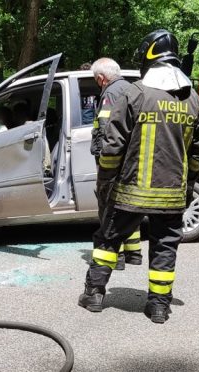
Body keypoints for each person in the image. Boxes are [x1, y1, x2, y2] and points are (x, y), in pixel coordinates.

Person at [78, 30, 199, 323]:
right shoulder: (193, 101)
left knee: (109, 239)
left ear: (148, 58)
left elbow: (112, 147)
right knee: (165, 249)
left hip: (130, 192)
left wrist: (106, 182)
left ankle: (95, 294)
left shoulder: (134, 94)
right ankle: (159, 306)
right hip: (172, 196)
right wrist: (188, 185)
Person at [89, 57, 142, 269]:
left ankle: (115, 257)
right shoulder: (132, 89)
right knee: (126, 205)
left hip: (113, 159)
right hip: (130, 158)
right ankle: (134, 253)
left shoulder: (110, 93)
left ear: (101, 78)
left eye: (96, 79)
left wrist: (103, 158)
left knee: (109, 207)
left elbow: (105, 129)